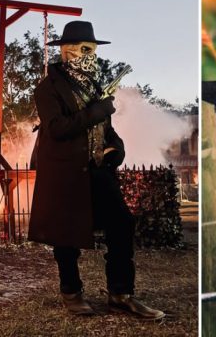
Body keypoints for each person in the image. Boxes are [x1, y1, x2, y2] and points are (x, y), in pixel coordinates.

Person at [29, 20, 164, 320]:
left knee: (122, 224)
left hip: (97, 171)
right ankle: (71, 292)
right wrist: (98, 110)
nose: (86, 55)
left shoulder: (93, 85)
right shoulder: (47, 88)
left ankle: (120, 293)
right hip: (65, 172)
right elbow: (57, 129)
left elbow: (106, 131)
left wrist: (117, 149)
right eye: (80, 49)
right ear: (65, 51)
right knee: (65, 235)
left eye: (90, 49)